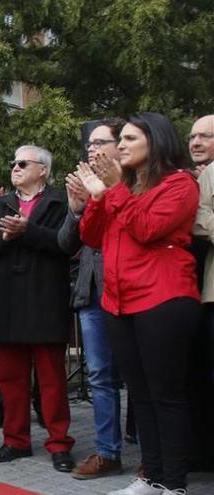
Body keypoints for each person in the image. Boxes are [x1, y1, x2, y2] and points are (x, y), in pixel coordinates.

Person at [78, 112, 200, 495]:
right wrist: (99, 195)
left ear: (157, 141)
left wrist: (114, 190)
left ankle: (175, 484)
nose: (121, 145)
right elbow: (92, 236)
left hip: (163, 298)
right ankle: (152, 477)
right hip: (119, 303)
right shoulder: (122, 186)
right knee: (140, 394)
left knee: (166, 395)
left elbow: (147, 229)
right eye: (122, 139)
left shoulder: (180, 185)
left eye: (130, 138)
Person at [0, 145, 76, 473]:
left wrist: (27, 231)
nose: (14, 168)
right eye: (12, 163)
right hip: (8, 301)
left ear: (43, 170)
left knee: (52, 380)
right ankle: (15, 441)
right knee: (10, 378)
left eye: (22, 163)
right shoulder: (0, 204)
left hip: (46, 298)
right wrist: (4, 238)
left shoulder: (61, 201)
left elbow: (67, 243)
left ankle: (59, 444)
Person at [57, 120, 128, 480]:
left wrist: (105, 193)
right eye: (89, 143)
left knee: (141, 377)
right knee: (101, 377)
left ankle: (155, 455)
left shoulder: (135, 181)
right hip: (93, 294)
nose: (92, 148)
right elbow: (66, 244)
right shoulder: (84, 187)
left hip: (132, 292)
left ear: (121, 145)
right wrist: (75, 207)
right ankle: (108, 452)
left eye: (101, 141)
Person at [189, 114, 214, 472]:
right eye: (192, 136)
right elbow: (199, 218)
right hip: (196, 291)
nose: (195, 142)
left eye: (205, 136)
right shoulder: (190, 178)